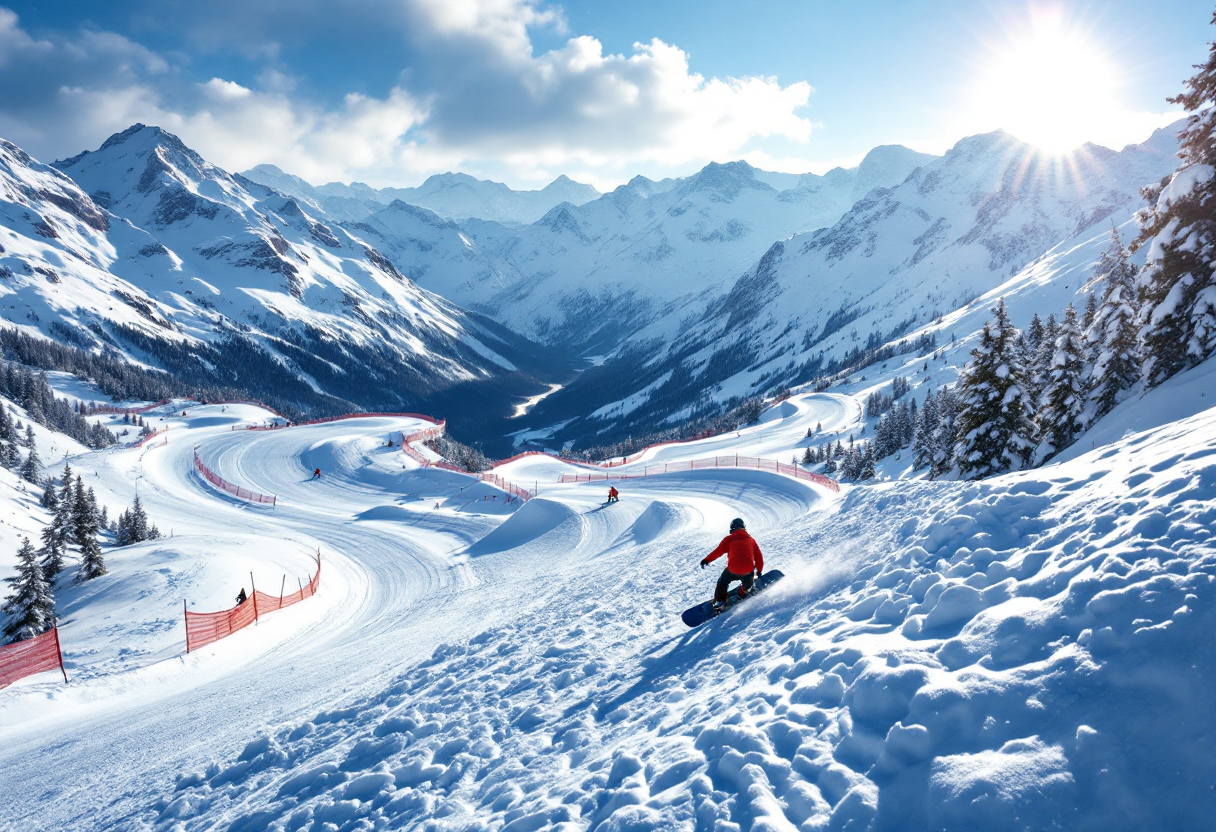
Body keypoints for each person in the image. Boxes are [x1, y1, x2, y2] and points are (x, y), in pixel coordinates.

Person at [700, 517, 764, 612]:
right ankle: (743, 592)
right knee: (748, 581)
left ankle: (720, 600)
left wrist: (707, 560)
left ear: (732, 528)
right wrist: (759, 571)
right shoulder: (751, 540)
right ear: (744, 528)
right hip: (748, 571)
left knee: (723, 581)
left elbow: (718, 551)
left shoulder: (729, 539)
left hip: (733, 570)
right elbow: (758, 556)